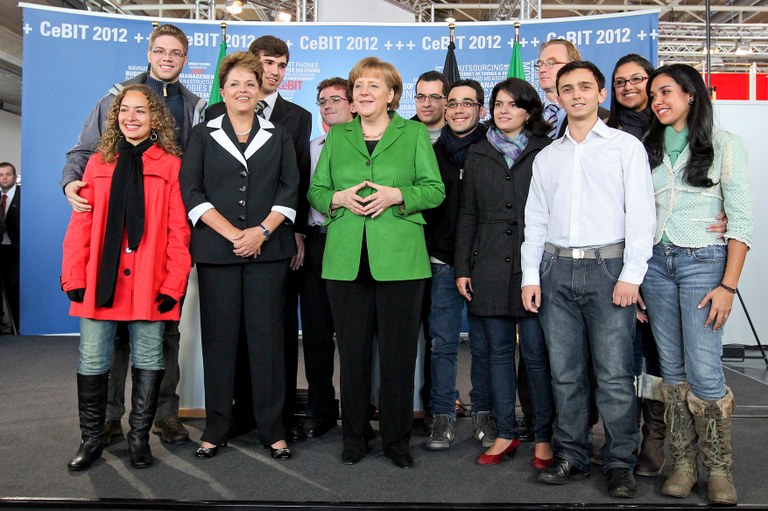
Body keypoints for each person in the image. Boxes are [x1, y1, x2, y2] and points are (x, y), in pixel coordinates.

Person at [60, 23, 206, 446]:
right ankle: (107, 418)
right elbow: (84, 152)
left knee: (163, 336)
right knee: (109, 339)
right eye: (160, 50)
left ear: (184, 59)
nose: (167, 58)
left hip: (157, 247)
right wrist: (72, 183)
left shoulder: (194, 108)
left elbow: (191, 176)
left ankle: (163, 415)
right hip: (111, 245)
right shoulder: (116, 95)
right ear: (149, 53)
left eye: (175, 53)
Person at [521, 61, 656, 498]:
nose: (576, 94)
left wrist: (632, 275)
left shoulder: (625, 148)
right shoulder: (547, 157)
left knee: (615, 375)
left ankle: (619, 462)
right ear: (556, 97)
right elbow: (535, 222)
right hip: (555, 270)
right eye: (567, 88)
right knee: (565, 375)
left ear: (601, 94)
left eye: (585, 87)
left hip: (609, 270)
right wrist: (530, 276)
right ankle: (573, 456)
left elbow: (640, 216)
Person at [308, 56, 445, 469]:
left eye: (374, 86)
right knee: (351, 356)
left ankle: (397, 440)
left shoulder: (414, 133)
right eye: (359, 85)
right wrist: (337, 198)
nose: (364, 92)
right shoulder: (337, 135)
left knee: (399, 357)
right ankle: (354, 436)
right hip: (345, 261)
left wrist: (397, 195)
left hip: (401, 262)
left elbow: (434, 190)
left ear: (392, 96)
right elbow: (316, 191)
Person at [642, 64, 752, 505]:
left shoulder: (725, 144)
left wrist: (728, 286)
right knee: (671, 370)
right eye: (653, 96)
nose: (657, 101)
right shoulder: (644, 147)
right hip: (654, 265)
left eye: (665, 92)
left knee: (704, 368)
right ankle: (684, 463)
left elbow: (741, 219)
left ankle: (719, 468)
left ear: (691, 94)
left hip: (703, 262)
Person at [180, 51, 299, 461]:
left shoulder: (278, 134)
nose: (243, 90)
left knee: (267, 344)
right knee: (220, 342)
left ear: (260, 88)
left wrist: (262, 232)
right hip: (218, 253)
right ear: (223, 91)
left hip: (269, 254)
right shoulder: (202, 134)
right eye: (235, 84)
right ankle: (216, 427)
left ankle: (273, 430)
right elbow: (191, 193)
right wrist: (235, 234)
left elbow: (289, 192)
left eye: (251, 83)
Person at [205, 36, 312, 443]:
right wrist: (235, 234)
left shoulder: (295, 119)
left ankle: (275, 419)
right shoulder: (210, 120)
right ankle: (231, 417)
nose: (271, 72)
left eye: (280, 65)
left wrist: (285, 230)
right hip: (222, 245)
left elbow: (296, 182)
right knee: (226, 336)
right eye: (265, 63)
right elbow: (195, 188)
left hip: (275, 241)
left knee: (272, 334)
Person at [454, 78, 553, 466]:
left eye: (512, 104)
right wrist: (463, 266)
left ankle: (542, 434)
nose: (503, 110)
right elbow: (468, 214)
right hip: (489, 263)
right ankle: (505, 433)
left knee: (535, 355)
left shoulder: (547, 151)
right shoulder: (478, 153)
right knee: (495, 353)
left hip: (536, 265)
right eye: (497, 104)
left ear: (529, 111)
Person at [423, 79, 488, 451]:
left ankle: (484, 413)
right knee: (443, 344)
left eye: (468, 103)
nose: (459, 109)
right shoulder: (430, 151)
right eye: (452, 103)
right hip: (441, 261)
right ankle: (443, 415)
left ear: (481, 109)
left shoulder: (494, 149)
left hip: (485, 263)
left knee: (484, 345)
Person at [299, 77, 356, 438]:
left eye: (336, 99)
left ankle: (357, 409)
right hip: (316, 244)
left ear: (353, 104)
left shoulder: (369, 146)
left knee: (354, 333)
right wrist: (299, 235)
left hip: (352, 242)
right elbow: (297, 196)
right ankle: (321, 410)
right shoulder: (310, 147)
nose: (328, 106)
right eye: (322, 101)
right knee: (317, 333)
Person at [536, 39, 608, 139]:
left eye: (551, 63)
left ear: (572, 66)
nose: (542, 70)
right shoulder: (528, 118)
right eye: (540, 64)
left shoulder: (605, 119)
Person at [0, 162, 20, 332]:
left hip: (16, 250)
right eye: (1, 175)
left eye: (8, 174)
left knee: (13, 286)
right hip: (1, 249)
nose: (4, 178)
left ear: (15, 176)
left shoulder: (23, 195)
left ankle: (17, 327)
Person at [413, 71, 449, 143]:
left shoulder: (461, 138)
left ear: (446, 102)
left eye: (434, 97)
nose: (426, 104)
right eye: (421, 97)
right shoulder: (402, 136)